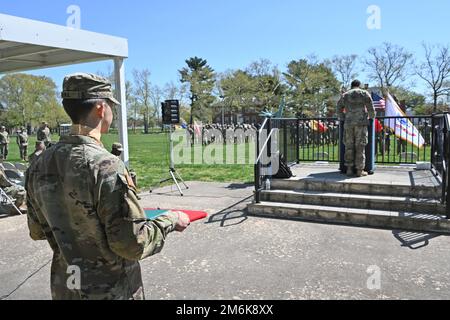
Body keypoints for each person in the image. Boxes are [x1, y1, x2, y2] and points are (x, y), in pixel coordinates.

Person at [25, 73, 190, 300]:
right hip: (111, 290)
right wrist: (170, 220)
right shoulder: (106, 166)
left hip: (66, 288)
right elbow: (132, 244)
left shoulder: (38, 163)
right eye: (112, 106)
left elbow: (37, 231)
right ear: (101, 108)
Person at [337, 80, 376, 177]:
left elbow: (338, 107)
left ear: (351, 85)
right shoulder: (364, 93)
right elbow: (371, 108)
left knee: (349, 145)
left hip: (348, 123)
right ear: (359, 85)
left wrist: (342, 117)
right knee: (360, 146)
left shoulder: (345, 95)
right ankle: (359, 170)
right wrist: (371, 117)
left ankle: (349, 169)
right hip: (361, 123)